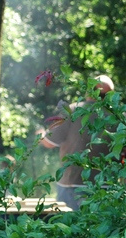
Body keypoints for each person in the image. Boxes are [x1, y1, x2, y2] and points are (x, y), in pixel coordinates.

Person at [40, 75, 114, 211]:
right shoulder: (118, 117)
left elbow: (49, 142)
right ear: (110, 96)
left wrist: (39, 134)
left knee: (69, 228)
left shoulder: (73, 111)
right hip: (107, 187)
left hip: (72, 186)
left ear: (88, 92)